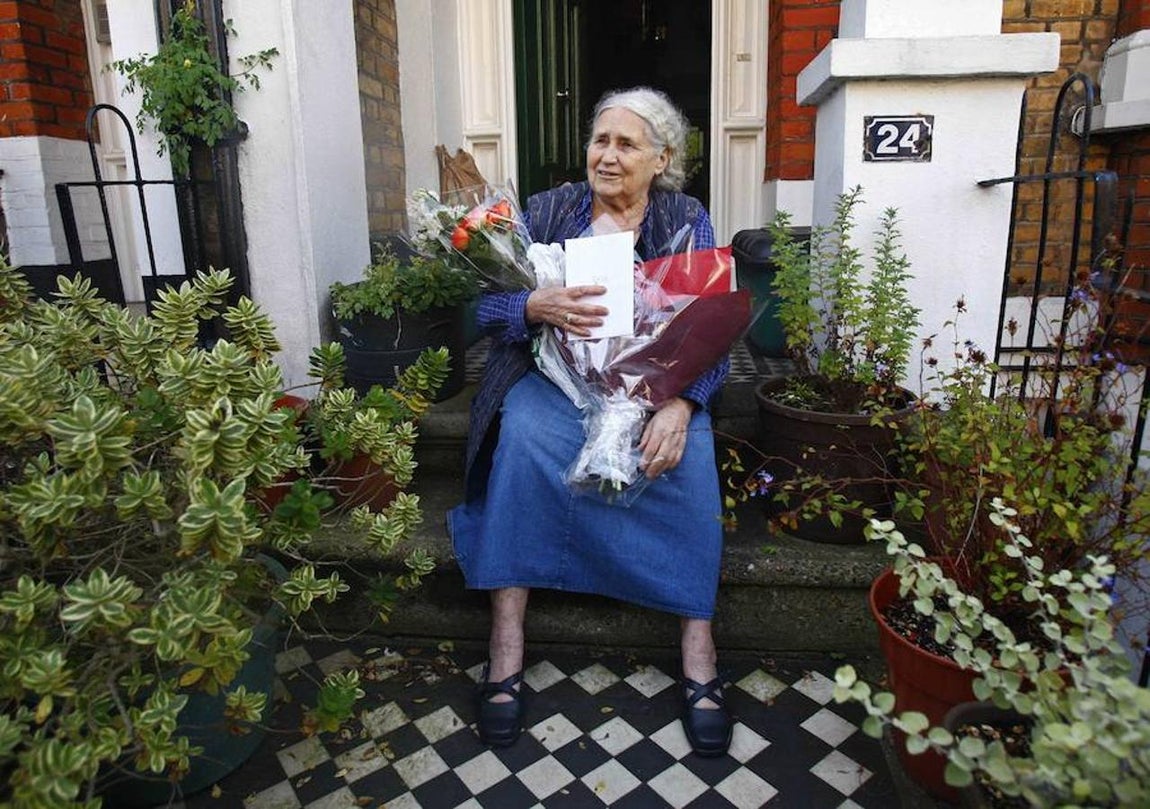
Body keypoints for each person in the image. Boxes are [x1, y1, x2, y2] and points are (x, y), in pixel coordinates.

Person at [447, 87, 732, 757]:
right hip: (551, 385)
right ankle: (506, 641)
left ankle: (698, 644)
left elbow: (715, 334)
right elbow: (476, 316)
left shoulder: (686, 217)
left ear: (661, 159)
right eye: (600, 140)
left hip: (649, 392)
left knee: (688, 453)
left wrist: (682, 403)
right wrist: (530, 306)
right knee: (521, 437)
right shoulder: (547, 210)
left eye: (626, 144)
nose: (606, 156)